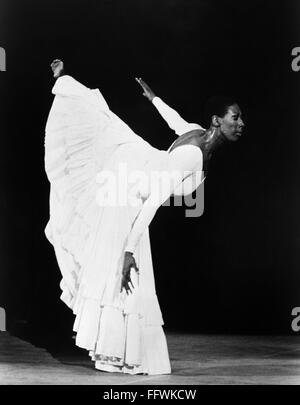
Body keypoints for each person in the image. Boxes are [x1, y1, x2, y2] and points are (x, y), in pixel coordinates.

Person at [44, 59, 244, 375]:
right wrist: (127, 251)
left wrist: (154, 100)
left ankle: (112, 352)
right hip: (131, 184)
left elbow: (175, 120)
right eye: (236, 117)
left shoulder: (195, 132)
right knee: (126, 266)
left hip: (135, 166)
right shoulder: (193, 155)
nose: (241, 123)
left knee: (104, 121)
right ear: (217, 121)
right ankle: (116, 352)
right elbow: (153, 201)